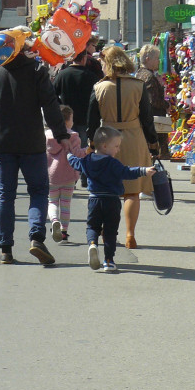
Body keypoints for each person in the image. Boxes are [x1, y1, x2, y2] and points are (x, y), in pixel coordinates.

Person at [0, 47, 70, 265]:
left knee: (5, 194)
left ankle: (5, 249)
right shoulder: (36, 69)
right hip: (31, 141)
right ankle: (36, 237)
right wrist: (61, 134)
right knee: (38, 190)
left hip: (1, 141)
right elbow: (50, 105)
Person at [86, 45, 159, 248]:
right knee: (132, 191)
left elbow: (92, 121)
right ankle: (129, 234)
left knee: (105, 190)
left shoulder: (99, 87)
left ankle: (105, 230)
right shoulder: (138, 85)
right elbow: (146, 118)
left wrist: (91, 144)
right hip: (133, 137)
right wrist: (153, 142)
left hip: (106, 139)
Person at [69, 126, 156, 273]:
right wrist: (144, 170)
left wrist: (68, 156)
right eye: (116, 146)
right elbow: (127, 172)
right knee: (110, 231)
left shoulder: (88, 160)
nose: (118, 150)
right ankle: (108, 261)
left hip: (94, 200)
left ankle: (92, 244)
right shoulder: (113, 163)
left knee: (92, 226)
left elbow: (76, 163)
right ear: (104, 146)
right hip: (112, 201)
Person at [46, 105, 88, 241]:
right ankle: (64, 231)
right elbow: (78, 154)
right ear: (67, 121)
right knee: (66, 204)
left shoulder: (46, 136)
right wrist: (88, 150)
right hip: (69, 176)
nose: (73, 122)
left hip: (51, 176)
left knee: (52, 202)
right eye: (72, 119)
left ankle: (54, 220)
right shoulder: (73, 136)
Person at [53, 36, 103, 138]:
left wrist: (62, 107)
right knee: (82, 149)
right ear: (84, 59)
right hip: (85, 118)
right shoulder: (91, 76)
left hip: (67, 117)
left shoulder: (62, 75)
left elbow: (52, 94)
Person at [137, 43, 170, 161]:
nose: (159, 61)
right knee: (153, 154)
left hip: (145, 119)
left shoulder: (139, 74)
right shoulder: (149, 76)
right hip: (153, 120)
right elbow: (152, 100)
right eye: (156, 58)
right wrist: (167, 104)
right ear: (147, 59)